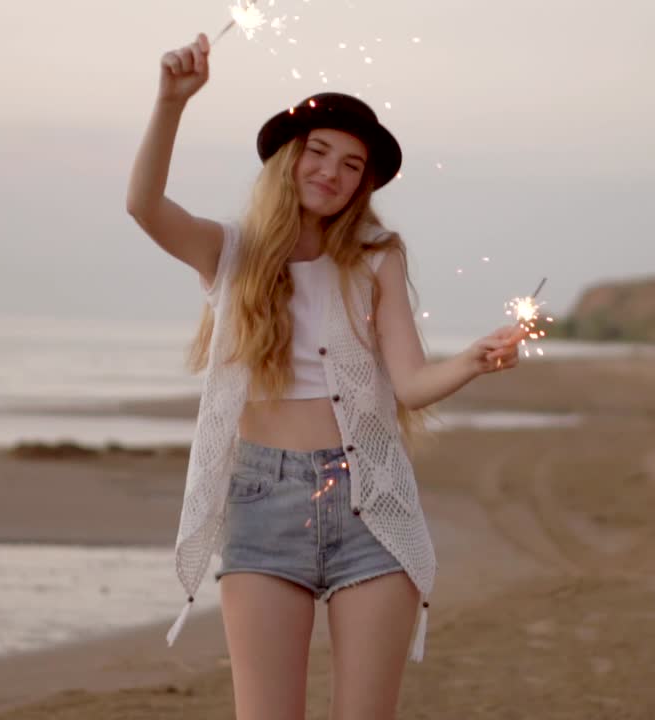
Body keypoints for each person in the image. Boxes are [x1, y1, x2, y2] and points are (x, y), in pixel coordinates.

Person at [126, 32, 524, 720]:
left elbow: (408, 385)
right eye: (318, 152)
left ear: (362, 183)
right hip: (261, 501)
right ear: (289, 158)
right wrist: (170, 103)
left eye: (351, 165)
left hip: (369, 502)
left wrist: (474, 360)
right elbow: (144, 206)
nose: (332, 173)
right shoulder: (231, 251)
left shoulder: (376, 257)